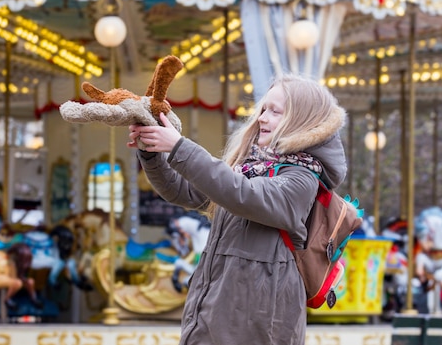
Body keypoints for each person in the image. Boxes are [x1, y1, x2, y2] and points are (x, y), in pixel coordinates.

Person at [127, 74, 347, 345]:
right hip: (212, 319)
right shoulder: (249, 167)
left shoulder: (302, 179)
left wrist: (179, 147)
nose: (261, 118)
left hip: (257, 328)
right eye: (263, 109)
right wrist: (151, 152)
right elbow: (181, 190)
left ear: (301, 120)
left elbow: (243, 194)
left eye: (274, 111)